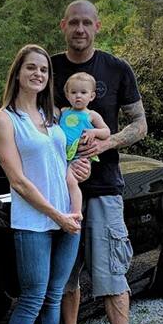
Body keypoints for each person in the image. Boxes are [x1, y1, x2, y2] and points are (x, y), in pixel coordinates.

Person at [50, 0, 148, 324]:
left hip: (105, 188)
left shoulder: (117, 68)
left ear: (97, 27)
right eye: (73, 21)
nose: (80, 28)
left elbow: (140, 125)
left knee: (111, 277)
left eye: (86, 22)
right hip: (59, 189)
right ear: (63, 25)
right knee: (67, 276)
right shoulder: (47, 67)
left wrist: (104, 142)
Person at [0, 44, 86, 324]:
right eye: (31, 68)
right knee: (31, 298)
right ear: (17, 72)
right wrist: (56, 215)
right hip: (33, 221)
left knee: (54, 294)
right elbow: (19, 181)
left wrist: (74, 211)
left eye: (44, 70)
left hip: (66, 220)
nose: (38, 74)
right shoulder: (5, 119)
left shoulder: (52, 116)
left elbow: (65, 168)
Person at [59, 72, 111, 216]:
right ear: (67, 95)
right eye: (73, 92)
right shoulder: (63, 111)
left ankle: (76, 212)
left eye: (83, 92)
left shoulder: (91, 115)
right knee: (61, 181)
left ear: (92, 96)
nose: (78, 96)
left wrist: (93, 133)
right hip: (63, 155)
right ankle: (63, 208)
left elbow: (106, 132)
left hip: (80, 155)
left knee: (70, 180)